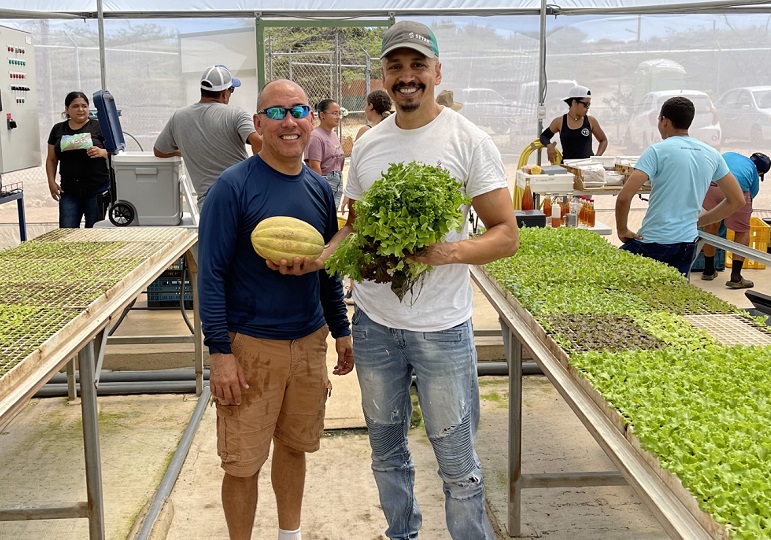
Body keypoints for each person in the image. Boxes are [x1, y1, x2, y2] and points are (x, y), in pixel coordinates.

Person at [271, 20, 519, 540]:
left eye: (417, 66)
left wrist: (442, 251)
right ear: (383, 75)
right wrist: (319, 258)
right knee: (386, 451)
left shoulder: (468, 140)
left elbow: (505, 236)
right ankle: (400, 534)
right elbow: (356, 230)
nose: (406, 77)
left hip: (442, 331)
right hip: (376, 326)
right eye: (396, 67)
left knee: (457, 462)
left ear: (436, 71)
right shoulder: (368, 145)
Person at [198, 79, 354, 540]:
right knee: (243, 462)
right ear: (259, 124)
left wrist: (340, 329)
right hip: (250, 347)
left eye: (299, 111)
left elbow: (327, 268)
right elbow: (209, 275)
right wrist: (220, 351)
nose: (290, 121)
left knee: (294, 447)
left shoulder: (320, 190)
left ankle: (291, 535)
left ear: (311, 119)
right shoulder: (232, 187)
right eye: (278, 113)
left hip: (308, 343)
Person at [615, 96, 745, 277]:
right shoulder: (711, 154)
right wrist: (700, 221)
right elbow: (737, 200)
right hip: (687, 243)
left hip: (654, 240)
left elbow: (624, 197)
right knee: (674, 296)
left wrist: (622, 230)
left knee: (613, 279)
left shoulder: (657, 151)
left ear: (664, 120)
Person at [154, 64, 262, 210]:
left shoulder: (178, 117)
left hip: (208, 205)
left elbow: (159, 151)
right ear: (225, 93)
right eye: (231, 90)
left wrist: (183, 152)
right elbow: (259, 142)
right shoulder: (236, 114)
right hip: (242, 198)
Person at [341, 89, 393, 305]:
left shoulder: (366, 130)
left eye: (365, 104)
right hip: (386, 191)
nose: (363, 107)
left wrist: (349, 193)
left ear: (371, 107)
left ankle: (353, 286)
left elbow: (357, 164)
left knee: (359, 239)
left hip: (366, 193)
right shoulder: (392, 127)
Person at [700, 152, 771, 288]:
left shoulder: (730, 155)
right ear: (761, 172)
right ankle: (736, 277)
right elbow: (752, 194)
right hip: (739, 189)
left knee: (710, 223)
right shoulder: (754, 171)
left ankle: (708, 270)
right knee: (742, 231)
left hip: (712, 185)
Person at [46, 91, 110, 228]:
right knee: (67, 231)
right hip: (69, 190)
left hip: (96, 188)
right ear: (67, 109)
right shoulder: (58, 129)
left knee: (94, 231)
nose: (80, 109)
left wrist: (102, 152)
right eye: (75, 106)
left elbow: (115, 152)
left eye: (84, 106)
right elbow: (51, 159)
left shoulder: (100, 127)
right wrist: (51, 182)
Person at [538, 85, 608, 163]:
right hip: (568, 167)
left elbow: (603, 140)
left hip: (587, 167)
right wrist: (549, 145)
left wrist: (597, 158)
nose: (588, 108)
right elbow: (544, 136)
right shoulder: (559, 122)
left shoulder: (591, 121)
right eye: (586, 104)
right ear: (574, 103)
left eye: (589, 105)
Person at [304, 99, 346, 209]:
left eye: (339, 113)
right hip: (325, 181)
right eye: (334, 113)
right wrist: (321, 189)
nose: (338, 117)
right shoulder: (315, 137)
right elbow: (314, 167)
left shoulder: (333, 134)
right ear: (322, 115)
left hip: (337, 181)